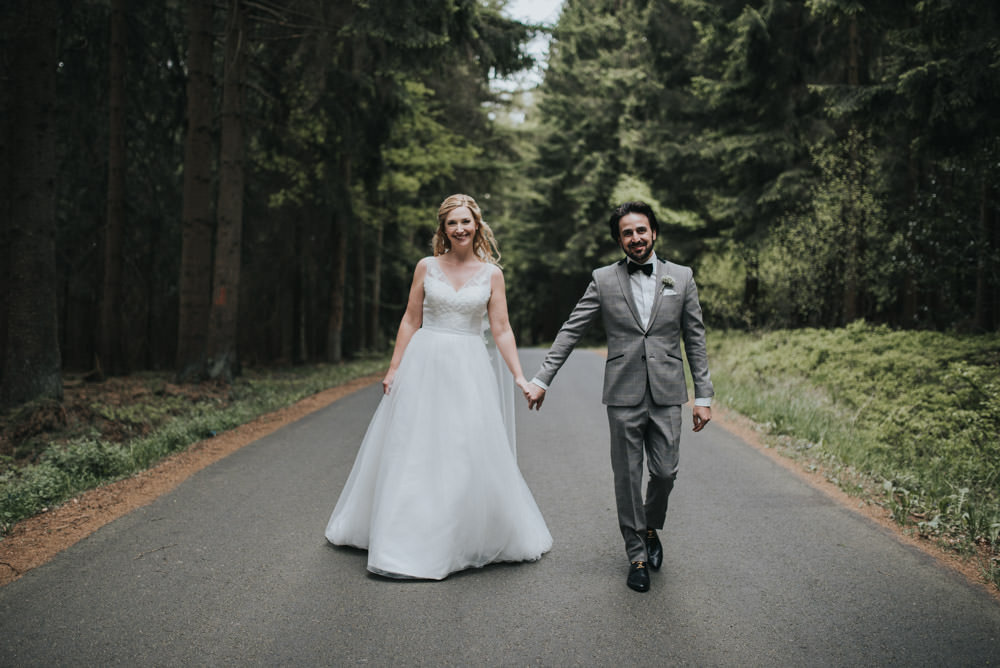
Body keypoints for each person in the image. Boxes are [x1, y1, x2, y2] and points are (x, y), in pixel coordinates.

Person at [325, 194, 552, 580]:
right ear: (443, 230)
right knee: (414, 445)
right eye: (452, 224)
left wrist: (519, 376)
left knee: (462, 447)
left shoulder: (492, 274)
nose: (460, 229)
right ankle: (403, 537)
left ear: (476, 225)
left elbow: (501, 329)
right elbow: (411, 320)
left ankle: (457, 534)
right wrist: (394, 368)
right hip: (424, 363)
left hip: (468, 368)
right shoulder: (426, 266)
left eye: (465, 222)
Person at [523, 201, 713, 593]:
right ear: (620, 240)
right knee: (627, 477)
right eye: (627, 233)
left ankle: (650, 525)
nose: (635, 238)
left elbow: (695, 338)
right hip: (623, 394)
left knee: (664, 472)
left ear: (653, 233)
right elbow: (572, 329)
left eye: (641, 230)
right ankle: (637, 555)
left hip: (668, 391)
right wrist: (543, 378)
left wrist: (704, 395)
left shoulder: (681, 276)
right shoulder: (604, 279)